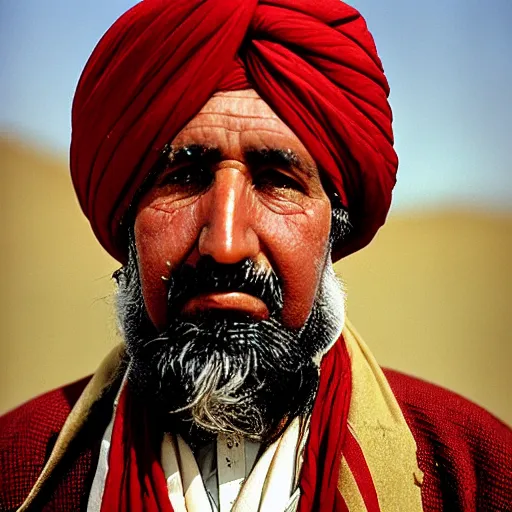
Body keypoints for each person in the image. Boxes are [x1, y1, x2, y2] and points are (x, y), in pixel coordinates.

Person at [1, 1, 511, 511]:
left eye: (277, 182)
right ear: (126, 218)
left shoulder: (476, 473)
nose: (225, 245)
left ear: (333, 226)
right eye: (184, 177)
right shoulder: (16, 468)